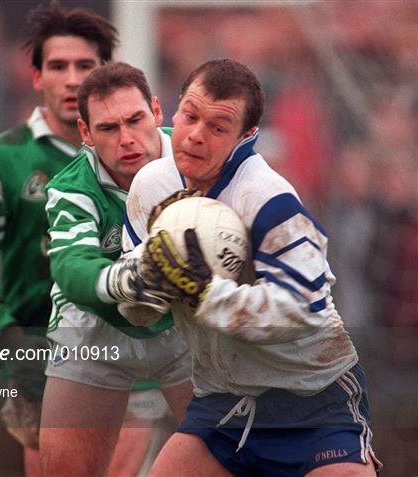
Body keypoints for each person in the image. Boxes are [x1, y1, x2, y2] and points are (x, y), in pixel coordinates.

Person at [119, 59, 382, 476]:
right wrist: (142, 280)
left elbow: (301, 310)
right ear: (175, 110)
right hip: (223, 401)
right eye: (190, 115)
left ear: (246, 136)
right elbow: (137, 310)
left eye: (218, 128)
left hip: (311, 400)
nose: (196, 136)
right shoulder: (152, 185)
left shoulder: (269, 199)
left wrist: (207, 293)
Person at [0, 4, 117, 475]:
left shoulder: (141, 152)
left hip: (130, 351)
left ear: (107, 74)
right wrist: (5, 335)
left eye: (86, 66)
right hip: (44, 365)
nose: (72, 79)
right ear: (36, 77)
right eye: (58, 66)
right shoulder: (4, 159)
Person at [40, 62, 192, 477]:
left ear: (157, 112)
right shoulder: (71, 187)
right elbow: (70, 266)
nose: (126, 139)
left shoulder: (197, 158)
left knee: (236, 461)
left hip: (188, 326)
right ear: (86, 134)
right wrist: (125, 282)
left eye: (135, 120)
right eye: (108, 128)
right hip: (95, 329)